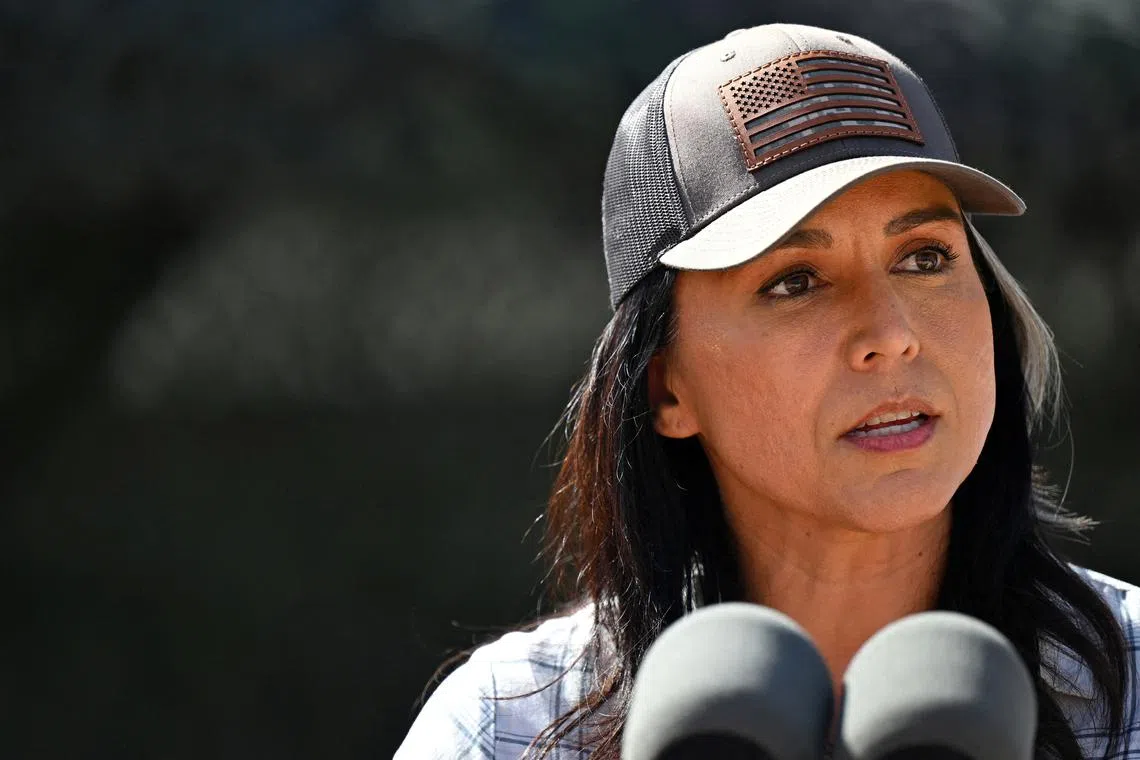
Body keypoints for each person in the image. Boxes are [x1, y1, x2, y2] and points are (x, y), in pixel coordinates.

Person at [395, 22, 1140, 760]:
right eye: (796, 282)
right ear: (666, 391)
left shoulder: (1130, 687)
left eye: (924, 257)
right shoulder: (510, 728)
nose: (890, 333)